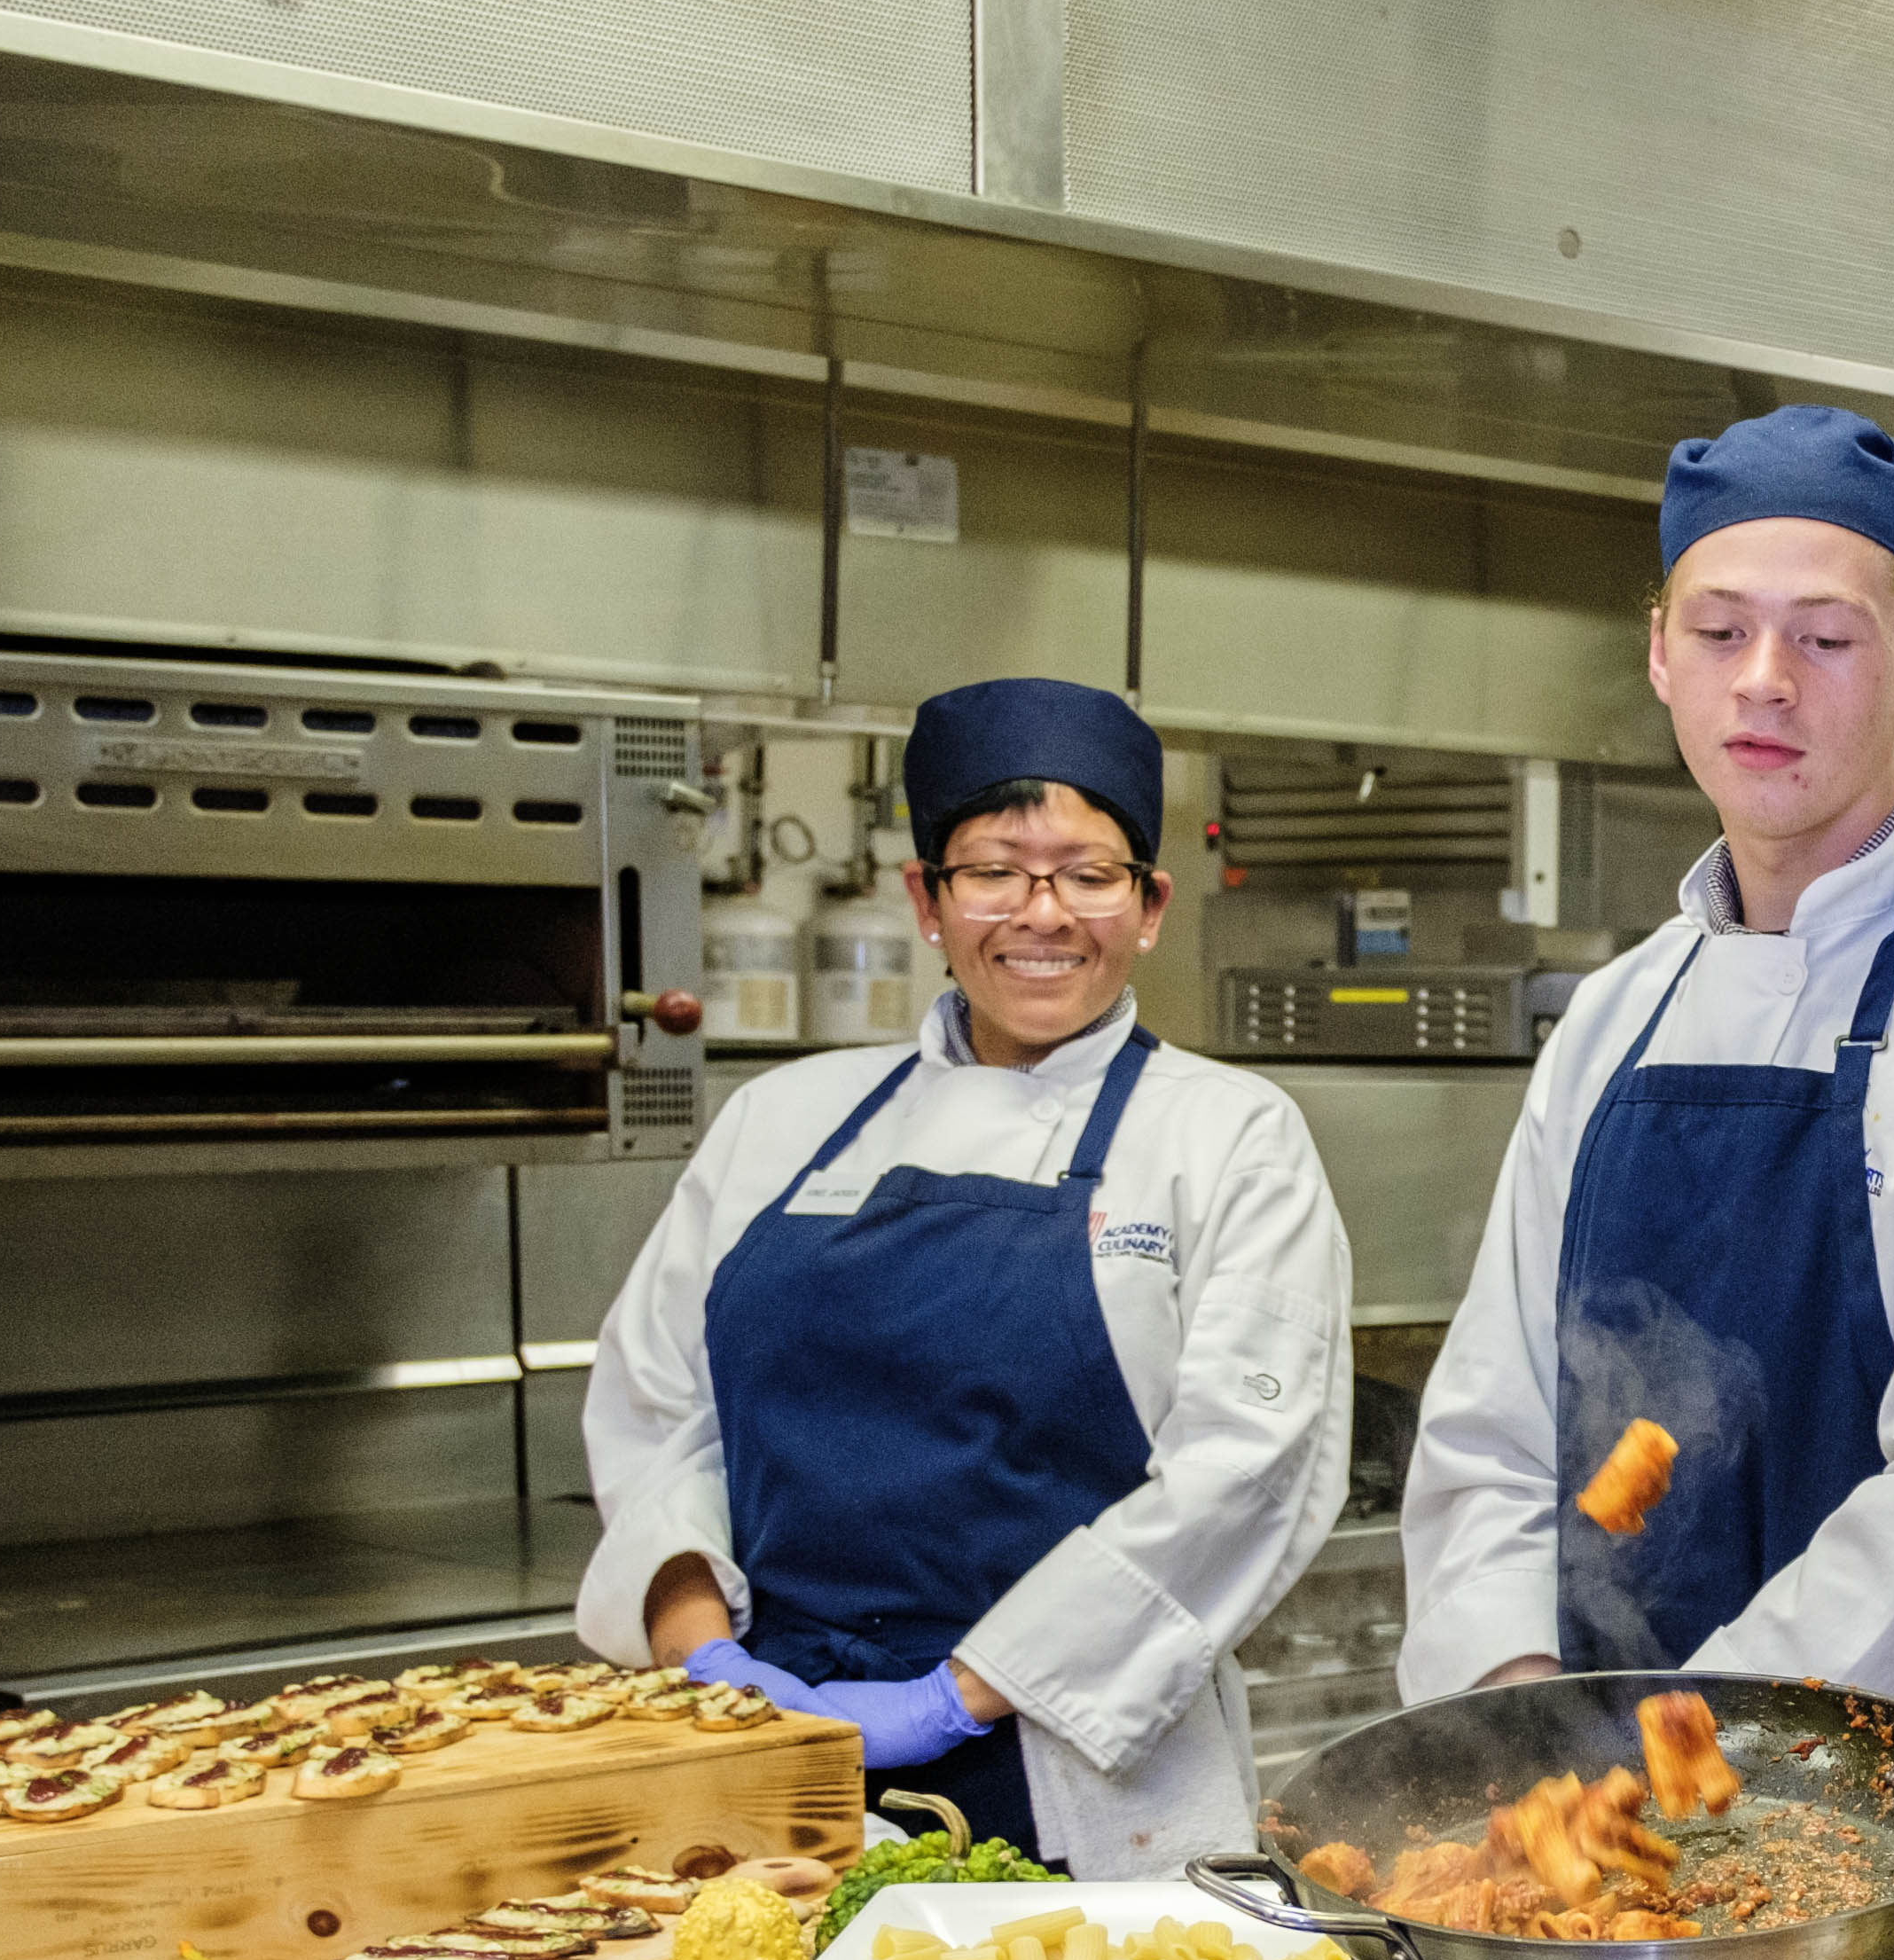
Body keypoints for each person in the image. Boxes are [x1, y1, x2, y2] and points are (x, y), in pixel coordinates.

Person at [1397, 404, 1894, 1960]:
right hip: (1597, 1880)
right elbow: (1495, 1412)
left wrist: (1682, 1762)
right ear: (1658, 656)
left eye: (1827, 637)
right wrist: (1524, 1711)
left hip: (1888, 1880)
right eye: (1722, 631)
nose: (1766, 682)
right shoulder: (1614, 1018)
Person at [578, 678, 1352, 1874]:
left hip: (1081, 1770)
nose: (1042, 914)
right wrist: (716, 1671)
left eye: (1089, 875)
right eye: (993, 869)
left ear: (1150, 906)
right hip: (770, 1762)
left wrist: (956, 1696)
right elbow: (657, 1416)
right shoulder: (779, 1121)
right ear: (926, 902)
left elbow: (1247, 1474)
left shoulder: (1228, 1135)